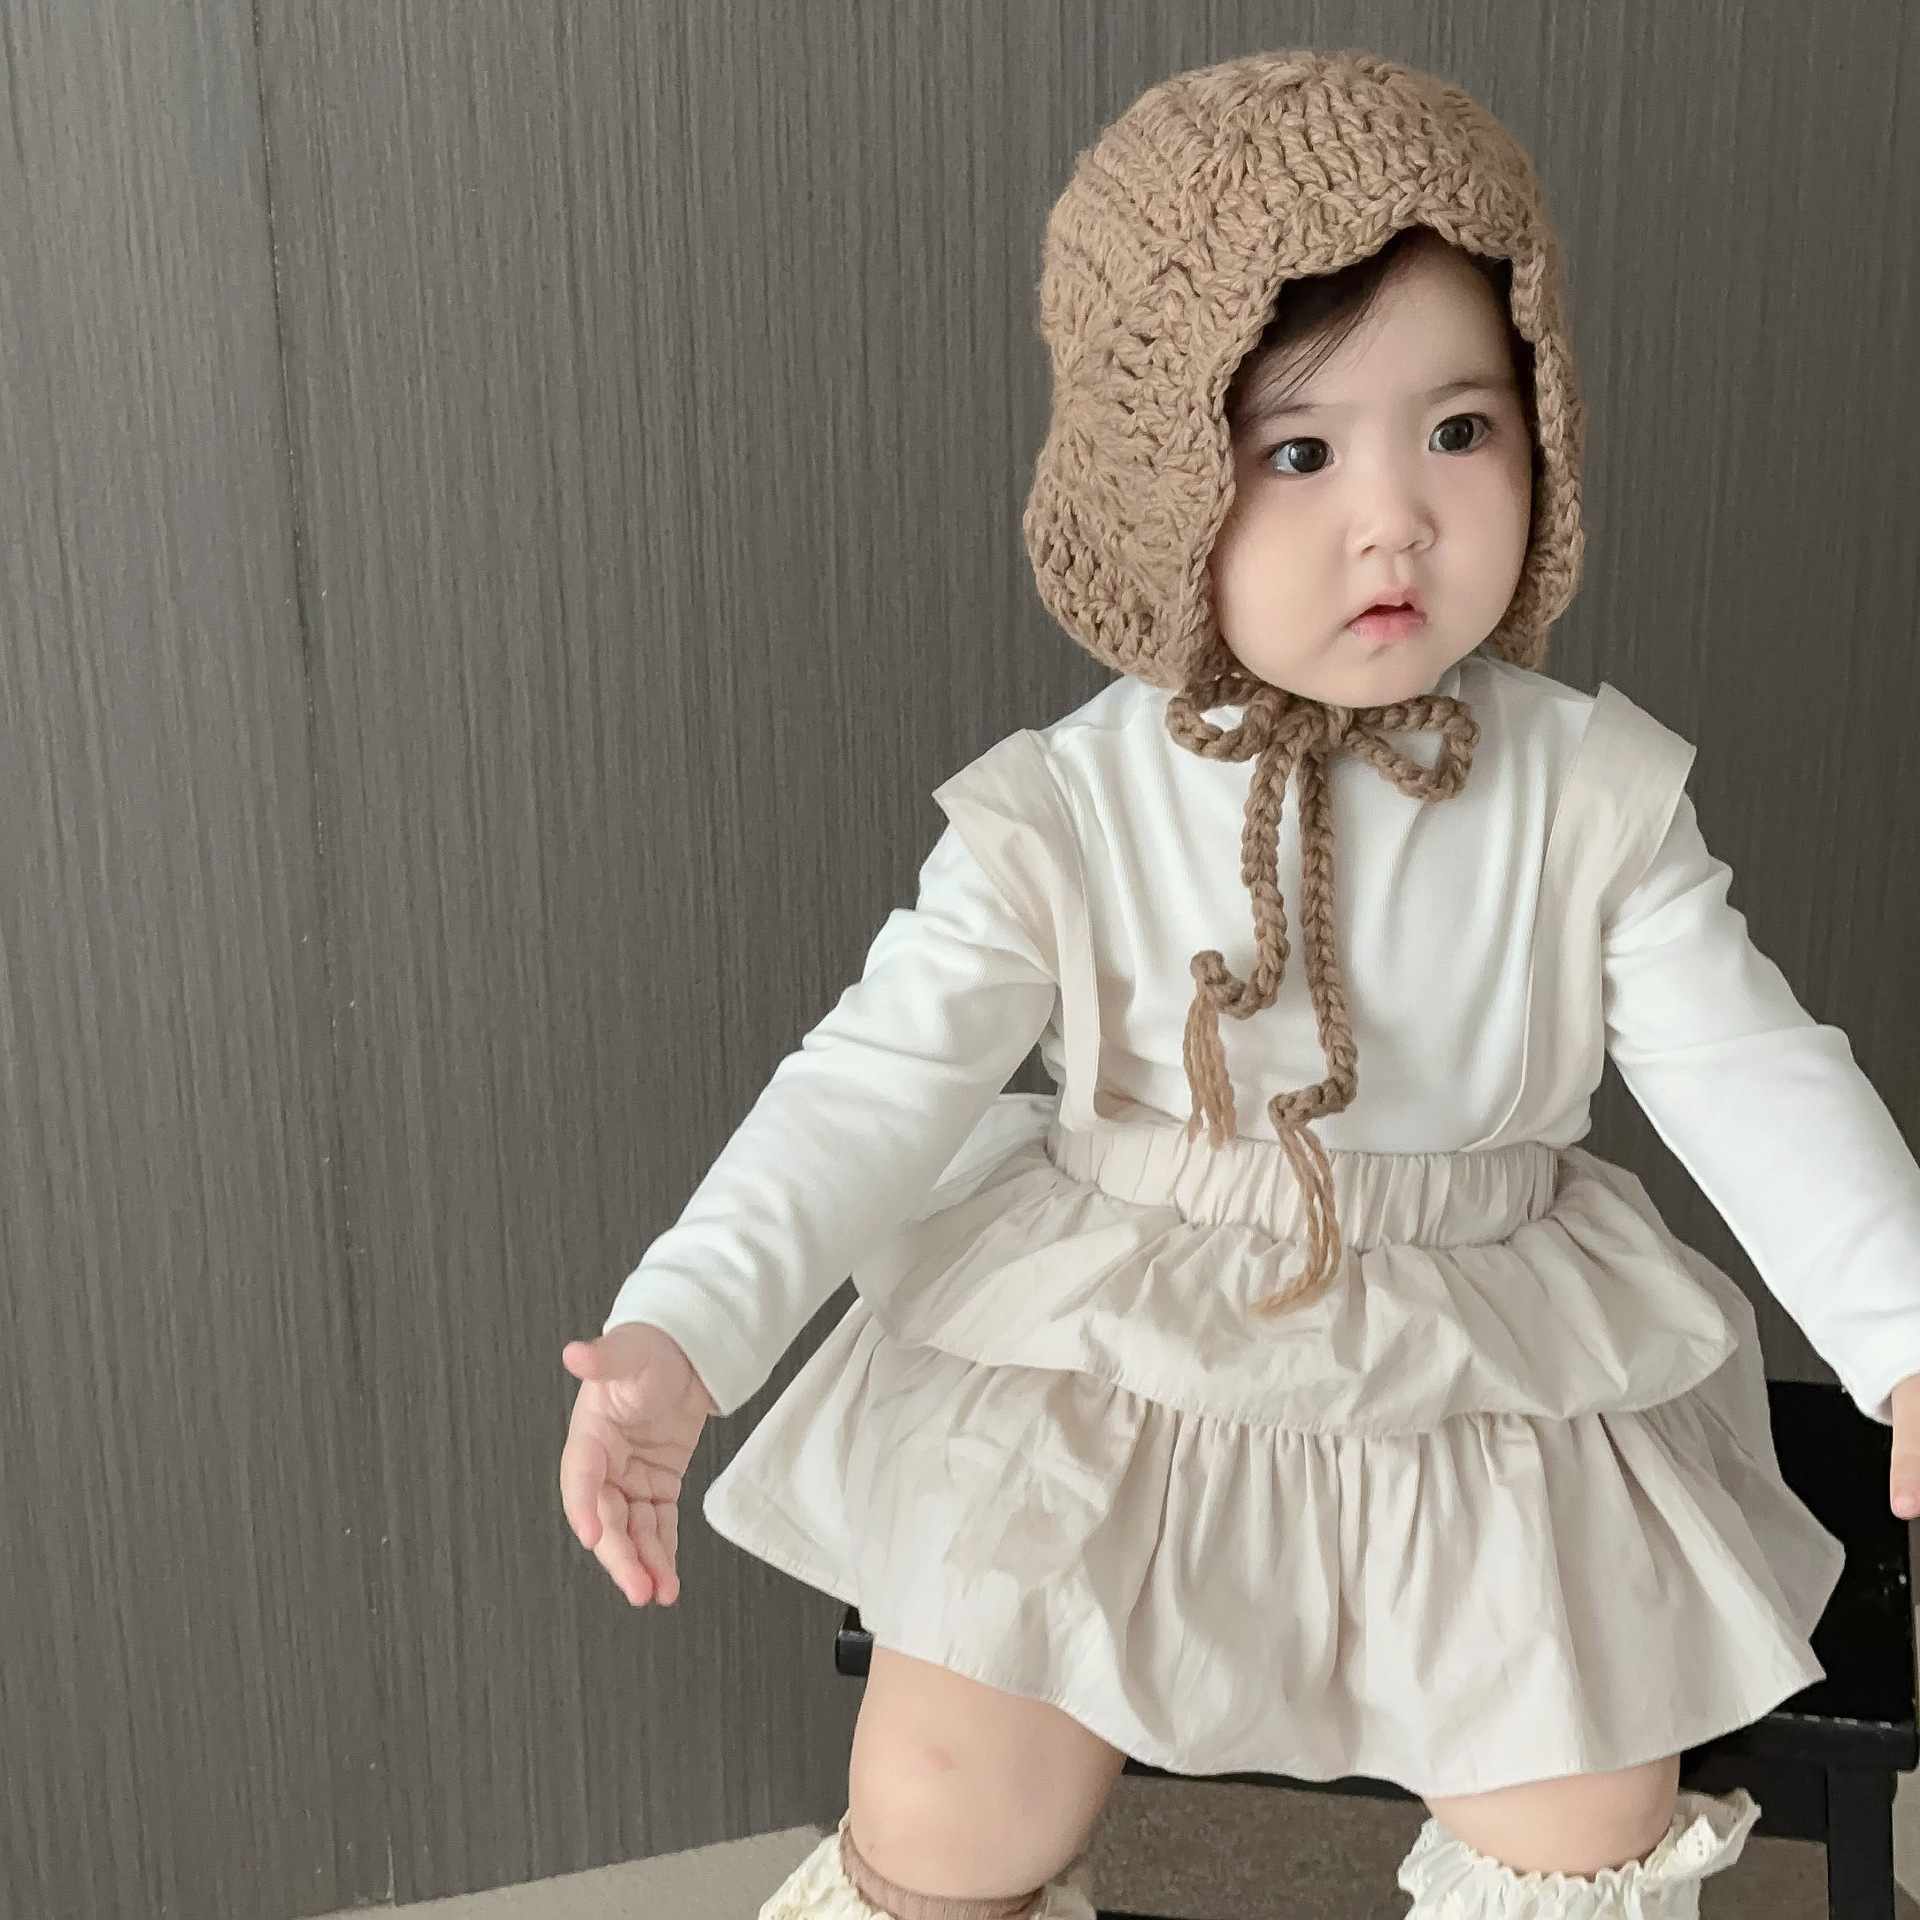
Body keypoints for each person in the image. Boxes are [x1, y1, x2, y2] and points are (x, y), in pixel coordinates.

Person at [557, 47, 1920, 1920]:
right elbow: (876, 1076)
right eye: (1300, 454)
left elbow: (1753, 1067)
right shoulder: (1075, 804)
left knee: (1583, 1777)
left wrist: (1906, 1329)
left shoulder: (1587, 795)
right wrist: (683, 1333)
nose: (1396, 519)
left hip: (1476, 1375)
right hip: (1117, 1361)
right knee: (946, 1784)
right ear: (1158, 486)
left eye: (1462, 431)